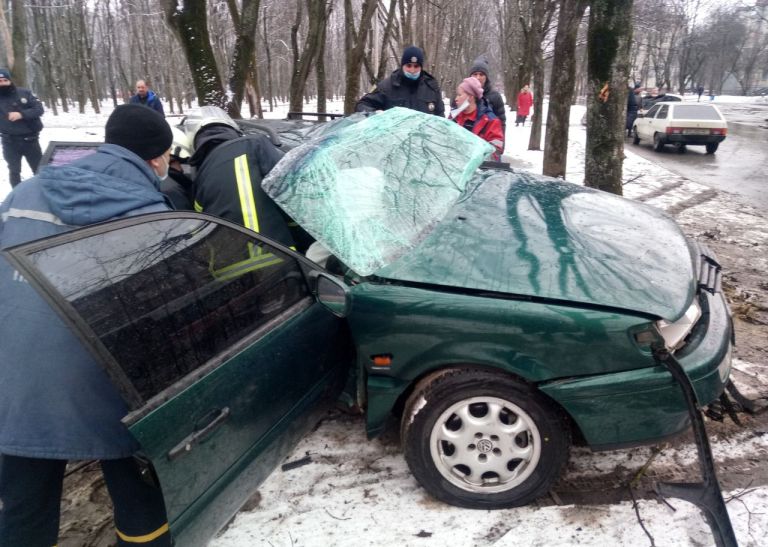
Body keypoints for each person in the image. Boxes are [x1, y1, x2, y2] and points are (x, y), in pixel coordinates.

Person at [0, 104, 174, 547]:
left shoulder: (25, 192)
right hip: (105, 386)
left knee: (23, 495)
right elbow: (160, 317)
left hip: (13, 374)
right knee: (138, 482)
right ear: (158, 158)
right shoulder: (151, 213)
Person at [187, 107, 298, 251]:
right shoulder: (256, 145)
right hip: (281, 260)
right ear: (234, 129)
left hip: (227, 267)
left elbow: (201, 223)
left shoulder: (199, 176)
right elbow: (292, 193)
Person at [355, 45, 444, 117]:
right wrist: (376, 114)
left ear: (421, 67)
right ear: (402, 66)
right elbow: (362, 105)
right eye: (409, 65)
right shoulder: (387, 86)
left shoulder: (431, 87)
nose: (412, 70)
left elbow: (440, 116)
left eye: (416, 66)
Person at [0, 67, 44, 188]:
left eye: (5, 80)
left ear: (10, 80)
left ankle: (42, 195)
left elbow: (39, 109)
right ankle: (16, 197)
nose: (3, 83)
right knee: (14, 171)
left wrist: (22, 114)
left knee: (39, 170)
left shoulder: (24, 93)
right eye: (0, 81)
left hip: (30, 140)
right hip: (9, 142)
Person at [452, 77, 504, 161]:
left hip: (479, 170)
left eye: (459, 95)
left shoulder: (491, 121)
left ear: (471, 97)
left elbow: (495, 153)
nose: (456, 99)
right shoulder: (454, 117)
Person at [467, 55, 506, 132]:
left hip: (485, 141)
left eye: (481, 74)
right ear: (470, 76)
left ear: (486, 77)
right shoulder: (462, 94)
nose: (478, 77)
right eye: (475, 74)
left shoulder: (495, 97)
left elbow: (501, 125)